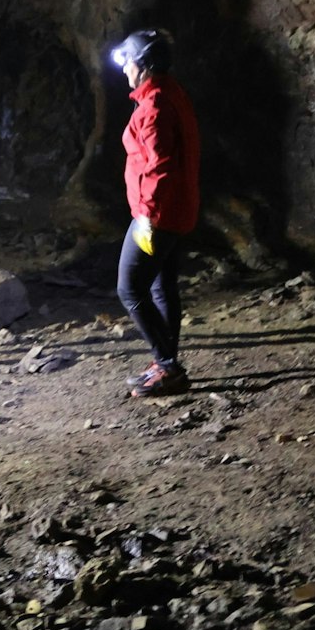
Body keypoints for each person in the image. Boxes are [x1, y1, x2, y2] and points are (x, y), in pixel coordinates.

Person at [111, 30, 202, 398]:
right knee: (161, 287)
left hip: (157, 215)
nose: (124, 70)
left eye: (128, 62)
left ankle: (168, 367)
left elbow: (157, 168)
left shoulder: (154, 107)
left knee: (129, 287)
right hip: (175, 210)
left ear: (144, 65)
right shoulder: (169, 93)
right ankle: (165, 363)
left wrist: (146, 218)